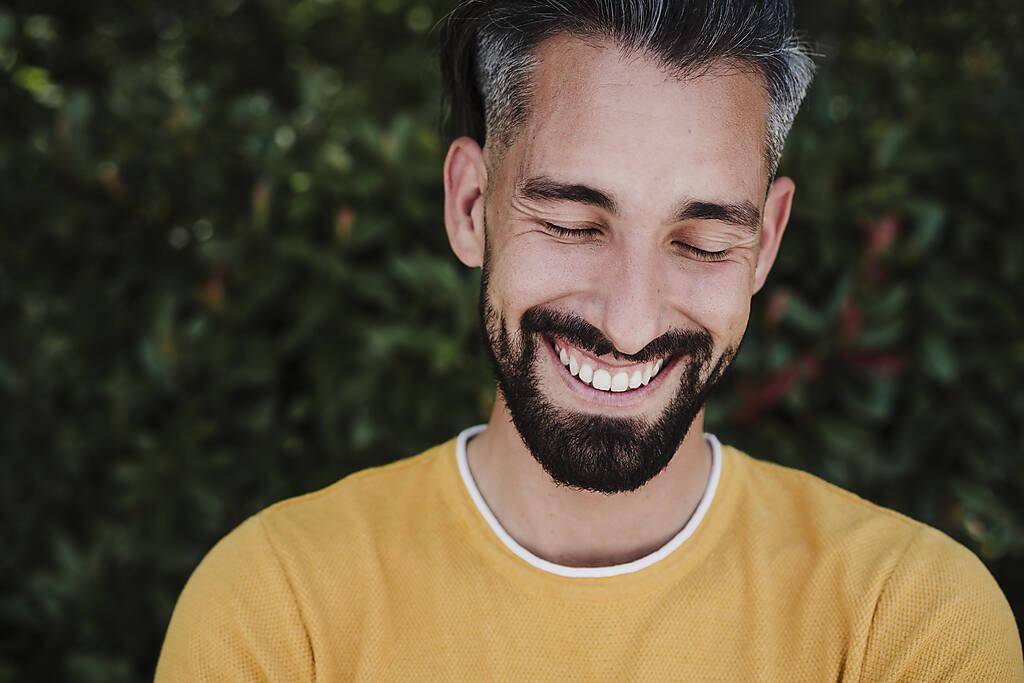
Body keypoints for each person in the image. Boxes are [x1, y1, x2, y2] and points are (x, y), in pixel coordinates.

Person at [155, 1, 1023, 680]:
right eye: (573, 223)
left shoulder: (903, 622)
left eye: (703, 241)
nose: (631, 320)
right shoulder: (277, 612)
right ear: (470, 206)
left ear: (767, 242)